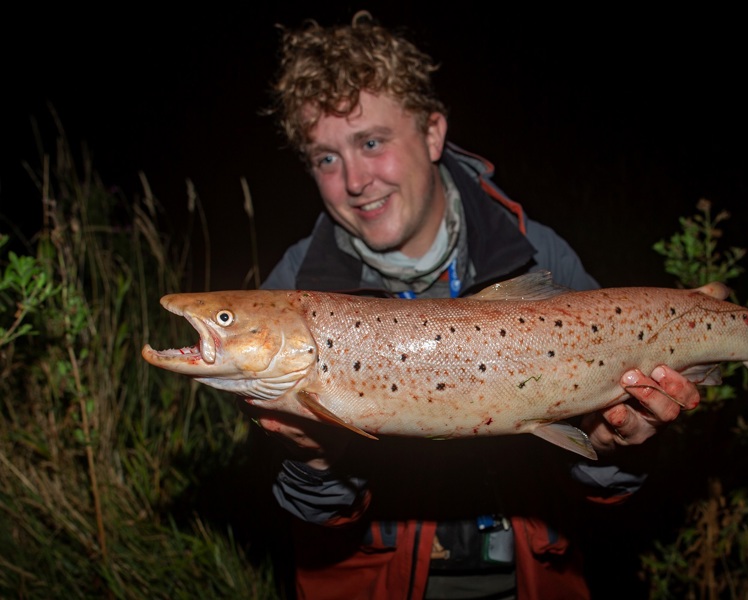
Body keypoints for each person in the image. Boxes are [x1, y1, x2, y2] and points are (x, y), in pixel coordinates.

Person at [249, 11, 700, 599]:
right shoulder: (287, 299)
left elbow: (605, 490)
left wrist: (614, 444)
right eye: (325, 159)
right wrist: (315, 460)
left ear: (433, 132)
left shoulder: (537, 254)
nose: (355, 180)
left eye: (372, 142)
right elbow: (310, 516)